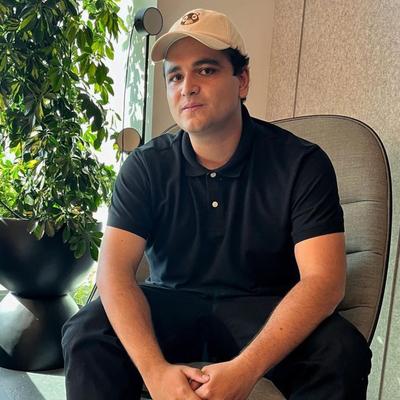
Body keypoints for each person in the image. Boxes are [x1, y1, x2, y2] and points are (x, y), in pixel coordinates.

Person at [62, 8, 372, 400]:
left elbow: (324, 281)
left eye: (205, 70)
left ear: (242, 81)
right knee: (87, 333)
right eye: (175, 76)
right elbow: (114, 273)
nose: (187, 87)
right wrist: (155, 372)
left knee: (340, 351)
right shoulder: (145, 167)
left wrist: (246, 370)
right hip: (171, 302)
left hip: (263, 308)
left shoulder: (301, 164)